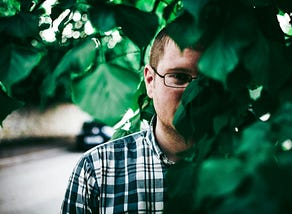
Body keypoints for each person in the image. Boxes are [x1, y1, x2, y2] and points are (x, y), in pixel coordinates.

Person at [61, 27, 202, 213]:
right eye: (178, 76)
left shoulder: (249, 164)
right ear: (150, 81)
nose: (194, 94)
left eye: (208, 80)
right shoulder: (96, 170)